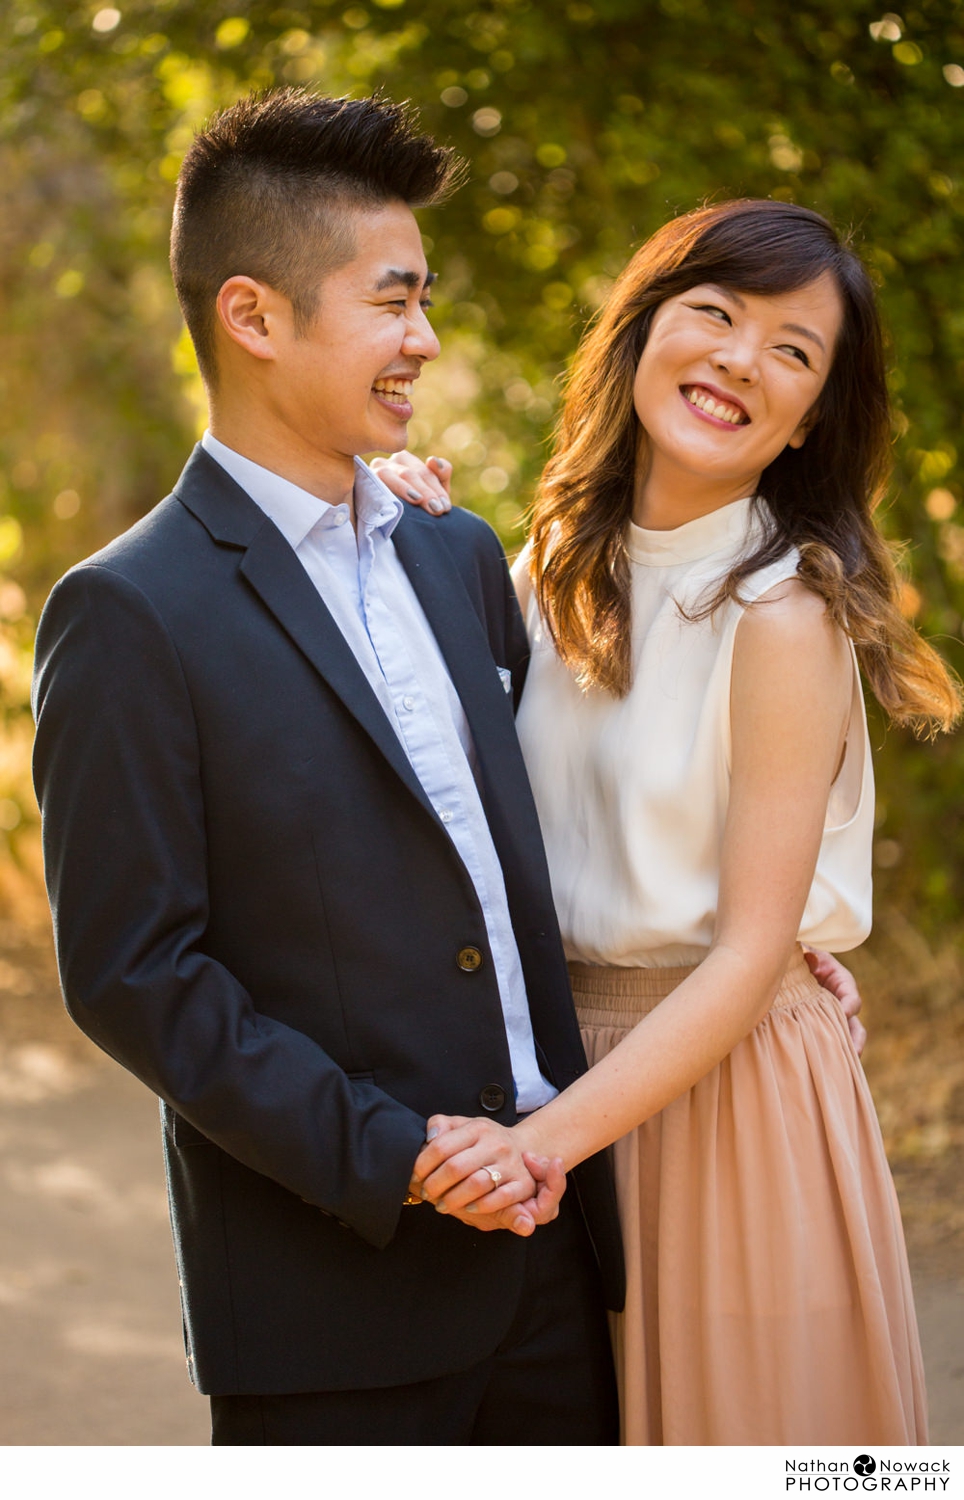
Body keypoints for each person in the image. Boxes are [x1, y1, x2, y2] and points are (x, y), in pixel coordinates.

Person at [30, 88, 626, 1446]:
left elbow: (528, 841)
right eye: (393, 301)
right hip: (332, 1303)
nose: (425, 339)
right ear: (253, 315)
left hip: (557, 1253)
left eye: (424, 302)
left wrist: (754, 942)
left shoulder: (454, 551)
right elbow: (135, 973)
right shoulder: (128, 613)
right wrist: (400, 1158)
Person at [395, 199, 960, 1444]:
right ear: (642, 325)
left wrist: (536, 1148)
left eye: (792, 351)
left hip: (724, 1084)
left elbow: (752, 952)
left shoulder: (781, 611)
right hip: (564, 1064)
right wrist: (391, 516)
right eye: (714, 312)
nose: (739, 360)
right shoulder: (542, 569)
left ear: (811, 419)